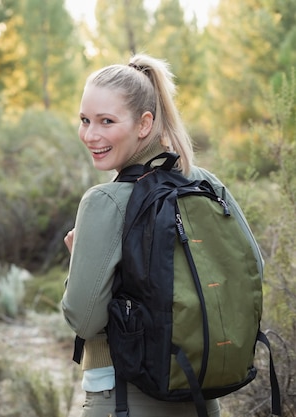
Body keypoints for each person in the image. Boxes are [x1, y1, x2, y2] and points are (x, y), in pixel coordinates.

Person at [61, 54, 263, 417]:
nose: (91, 135)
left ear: (144, 124)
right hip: (202, 396)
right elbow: (253, 270)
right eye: (85, 120)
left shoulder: (104, 200)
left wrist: (79, 260)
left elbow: (84, 319)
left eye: (107, 121)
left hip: (122, 397)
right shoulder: (205, 182)